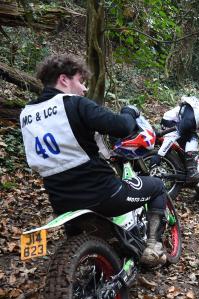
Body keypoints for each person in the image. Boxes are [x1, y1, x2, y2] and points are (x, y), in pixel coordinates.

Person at [19, 54, 168, 265]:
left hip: (61, 201)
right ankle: (153, 245)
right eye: (81, 81)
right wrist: (129, 112)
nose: (84, 89)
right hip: (102, 194)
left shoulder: (26, 114)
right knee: (158, 186)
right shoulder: (73, 104)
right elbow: (121, 126)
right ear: (64, 79)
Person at [156, 96, 199, 182]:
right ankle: (192, 172)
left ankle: (188, 167)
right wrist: (159, 155)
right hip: (170, 123)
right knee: (193, 140)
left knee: (191, 153)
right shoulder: (189, 121)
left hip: (182, 123)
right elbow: (171, 138)